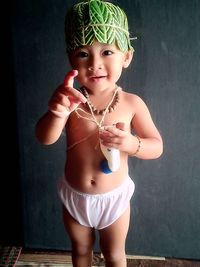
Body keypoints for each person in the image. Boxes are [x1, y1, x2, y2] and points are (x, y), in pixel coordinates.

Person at [35, 0, 163, 266]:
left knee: (114, 254)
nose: (95, 64)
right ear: (71, 58)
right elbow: (44, 138)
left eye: (107, 52)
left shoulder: (131, 103)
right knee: (81, 250)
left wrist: (132, 143)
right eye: (83, 54)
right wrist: (57, 113)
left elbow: (156, 146)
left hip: (113, 200)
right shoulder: (70, 100)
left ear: (126, 56)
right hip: (76, 197)